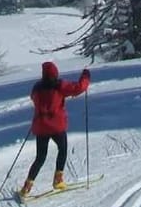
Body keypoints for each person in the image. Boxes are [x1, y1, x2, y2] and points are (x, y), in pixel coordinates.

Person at [19, 61, 91, 197]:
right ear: (55, 73)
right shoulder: (59, 85)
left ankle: (26, 187)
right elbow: (79, 88)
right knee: (62, 150)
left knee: (40, 157)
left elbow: (34, 98)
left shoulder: (36, 87)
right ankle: (58, 180)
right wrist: (86, 76)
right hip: (56, 126)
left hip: (40, 126)